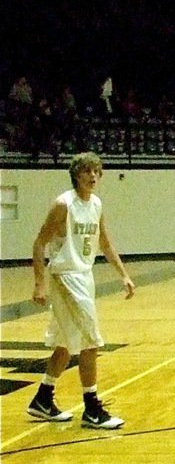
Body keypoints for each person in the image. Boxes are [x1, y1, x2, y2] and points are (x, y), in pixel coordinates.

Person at [29, 151, 134, 429]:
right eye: (87, 171)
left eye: (97, 172)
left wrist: (123, 275)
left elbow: (106, 243)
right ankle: (92, 408)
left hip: (84, 276)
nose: (93, 176)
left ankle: (42, 398)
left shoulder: (96, 204)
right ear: (77, 174)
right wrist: (40, 283)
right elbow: (39, 243)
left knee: (65, 342)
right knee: (91, 342)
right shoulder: (64, 204)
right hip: (65, 276)